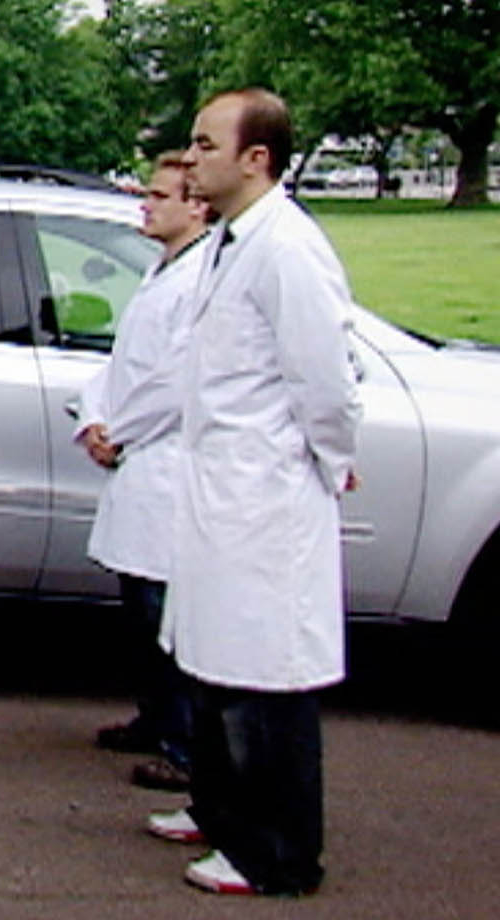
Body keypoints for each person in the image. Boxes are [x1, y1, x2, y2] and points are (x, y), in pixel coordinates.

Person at [147, 88, 361, 896]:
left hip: (264, 495)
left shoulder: (289, 250)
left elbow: (325, 382)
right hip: (220, 490)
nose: (190, 156)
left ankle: (276, 854)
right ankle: (220, 812)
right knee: (213, 663)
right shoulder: (231, 242)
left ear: (255, 159)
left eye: (205, 144)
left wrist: (334, 458)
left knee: (263, 680)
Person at [75, 152, 211, 793]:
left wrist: (118, 432)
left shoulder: (200, 282)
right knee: (140, 606)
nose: (146, 206)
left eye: (160, 197)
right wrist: (92, 420)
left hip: (166, 459)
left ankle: (184, 743)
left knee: (166, 616)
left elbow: (177, 382)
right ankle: (156, 720)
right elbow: (123, 363)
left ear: (197, 206)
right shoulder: (162, 272)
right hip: (139, 458)